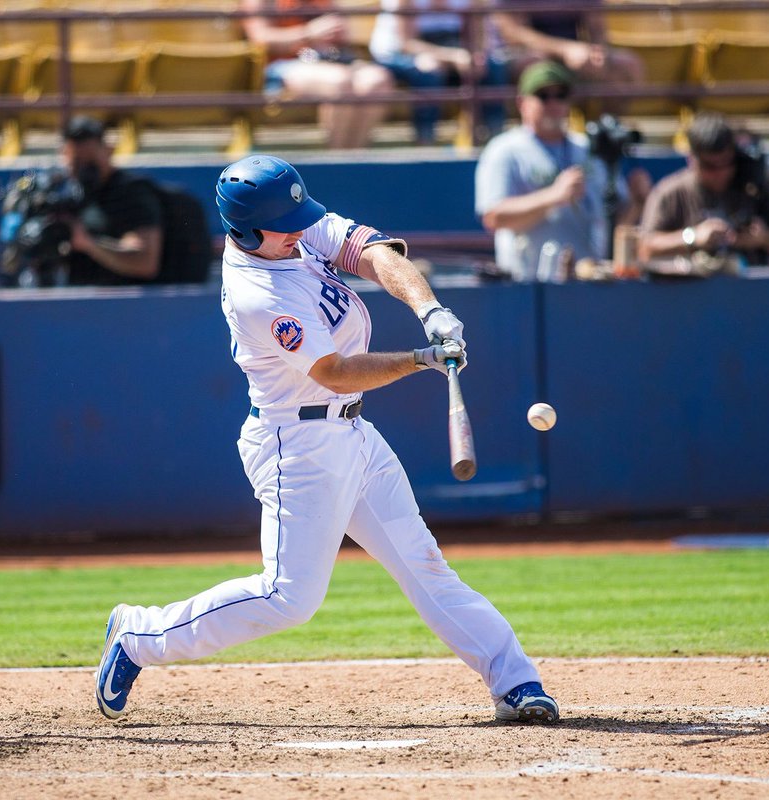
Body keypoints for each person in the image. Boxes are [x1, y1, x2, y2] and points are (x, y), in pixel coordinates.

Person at [95, 154, 559, 726]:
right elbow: (335, 371)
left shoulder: (286, 226)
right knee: (288, 598)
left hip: (353, 433)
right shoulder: (257, 292)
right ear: (245, 231)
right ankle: (139, 635)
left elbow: (373, 254)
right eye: (285, 228)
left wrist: (430, 309)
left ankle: (515, 682)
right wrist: (422, 360)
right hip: (299, 446)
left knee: (425, 564)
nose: (300, 232)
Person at [474, 60, 613, 279]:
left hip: (589, 280)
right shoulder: (505, 150)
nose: (553, 103)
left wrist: (637, 200)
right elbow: (494, 216)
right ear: (522, 103)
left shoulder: (587, 148)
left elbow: (613, 209)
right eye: (543, 96)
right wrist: (554, 196)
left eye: (560, 96)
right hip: (527, 283)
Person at [638, 112, 769, 269]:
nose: (720, 172)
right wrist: (692, 237)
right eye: (709, 166)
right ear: (692, 159)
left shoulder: (753, 186)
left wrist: (762, 237)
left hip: (749, 290)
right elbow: (645, 248)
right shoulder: (671, 192)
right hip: (688, 292)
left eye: (726, 163)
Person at [242, 0, 396, 149]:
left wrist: (339, 34)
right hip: (284, 64)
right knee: (339, 81)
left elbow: (341, 28)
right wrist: (308, 33)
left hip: (332, 59)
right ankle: (337, 163)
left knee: (377, 79)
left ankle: (355, 158)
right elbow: (260, 37)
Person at [368, 0, 508, 144]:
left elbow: (477, 34)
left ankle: (494, 140)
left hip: (450, 47)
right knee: (428, 71)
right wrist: (452, 57)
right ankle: (425, 143)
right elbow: (407, 44)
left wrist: (476, 56)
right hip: (398, 54)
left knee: (491, 66)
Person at [61, 115, 165, 286]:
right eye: (77, 162)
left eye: (91, 161)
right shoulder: (65, 193)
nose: (85, 170)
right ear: (64, 156)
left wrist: (87, 243)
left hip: (125, 303)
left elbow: (145, 261)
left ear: (108, 150)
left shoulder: (131, 193)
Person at [489, 0, 644, 112]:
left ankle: (605, 134)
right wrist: (564, 50)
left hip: (573, 56)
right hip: (521, 56)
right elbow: (514, 34)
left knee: (627, 65)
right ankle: (541, 134)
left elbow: (597, 29)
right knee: (539, 68)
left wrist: (597, 53)